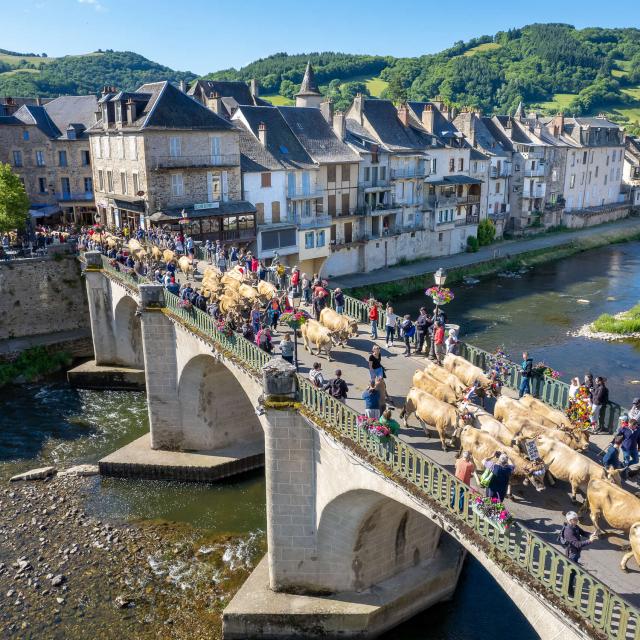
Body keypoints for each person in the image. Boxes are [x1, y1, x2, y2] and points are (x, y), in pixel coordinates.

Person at [560, 511, 597, 597]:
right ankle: (568, 590)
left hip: (575, 553)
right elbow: (577, 544)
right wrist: (589, 541)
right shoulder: (568, 531)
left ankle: (563, 581)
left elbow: (583, 532)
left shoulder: (574, 526)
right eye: (575, 519)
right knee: (572, 573)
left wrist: (592, 534)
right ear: (570, 520)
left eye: (577, 519)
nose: (577, 521)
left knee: (570, 571)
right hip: (571, 554)